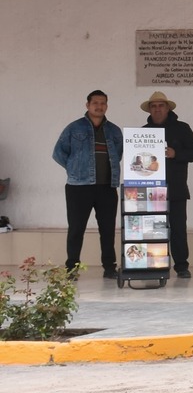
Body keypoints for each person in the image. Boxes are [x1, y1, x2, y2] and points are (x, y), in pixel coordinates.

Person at [52, 90, 124, 277]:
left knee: (107, 230)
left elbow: (119, 154)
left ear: (107, 106)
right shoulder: (74, 128)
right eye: (95, 103)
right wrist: (75, 169)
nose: (99, 106)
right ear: (88, 105)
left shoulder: (114, 131)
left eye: (103, 103)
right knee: (76, 228)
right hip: (78, 188)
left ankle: (109, 268)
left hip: (107, 187)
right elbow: (59, 153)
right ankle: (72, 268)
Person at [140, 91, 193, 278]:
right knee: (152, 230)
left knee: (178, 229)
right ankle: (153, 265)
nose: (157, 109)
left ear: (167, 108)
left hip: (176, 189)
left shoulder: (182, 128)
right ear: (149, 110)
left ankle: (181, 266)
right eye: (154, 106)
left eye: (161, 105)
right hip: (150, 190)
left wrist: (177, 154)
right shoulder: (143, 132)